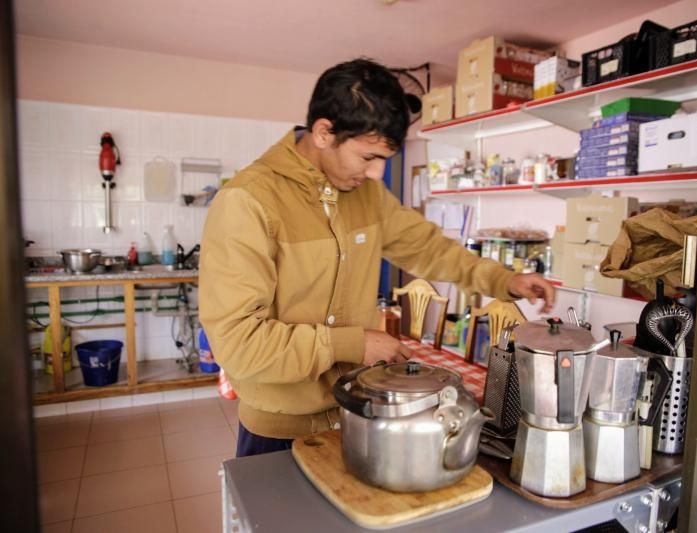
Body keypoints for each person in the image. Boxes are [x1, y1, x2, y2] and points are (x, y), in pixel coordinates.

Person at [199, 58, 555, 457]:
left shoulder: (365, 195)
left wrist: (502, 280)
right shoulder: (249, 201)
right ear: (323, 133)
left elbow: (427, 247)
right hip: (278, 432)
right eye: (368, 157)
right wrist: (352, 344)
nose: (375, 174)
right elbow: (238, 344)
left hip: (356, 415)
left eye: (384, 159)